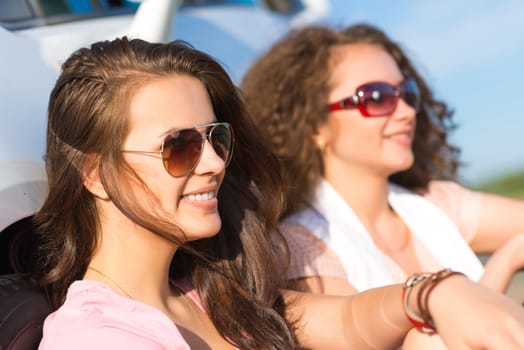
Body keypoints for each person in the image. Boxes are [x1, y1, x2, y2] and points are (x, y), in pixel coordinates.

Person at [33, 36, 524, 349]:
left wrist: (437, 292)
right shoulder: (97, 337)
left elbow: (353, 321)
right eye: (178, 146)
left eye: (216, 138)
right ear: (94, 174)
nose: (214, 163)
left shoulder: (214, 295)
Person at [241, 23, 524, 296]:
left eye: (407, 93)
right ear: (315, 126)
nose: (406, 112)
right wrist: (507, 260)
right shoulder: (303, 248)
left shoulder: (436, 206)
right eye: (377, 97)